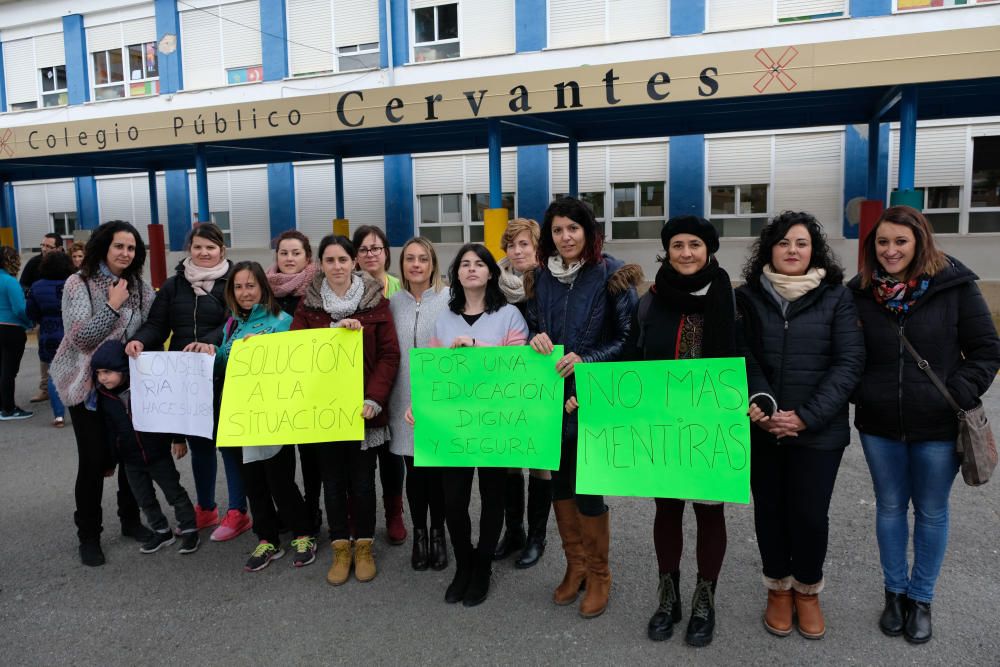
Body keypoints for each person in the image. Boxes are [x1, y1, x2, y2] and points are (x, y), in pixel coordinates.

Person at [849, 205, 1000, 644]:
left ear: (920, 242)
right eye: (883, 242)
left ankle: (921, 598)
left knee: (932, 511)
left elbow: (987, 350)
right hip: (879, 426)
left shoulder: (955, 287)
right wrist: (864, 392)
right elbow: (845, 353)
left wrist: (956, 393)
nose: (891, 250)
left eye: (901, 241)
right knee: (890, 507)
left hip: (938, 426)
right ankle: (894, 594)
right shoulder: (859, 292)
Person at [623, 216, 765, 647]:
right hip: (663, 425)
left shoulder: (732, 299)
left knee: (709, 513)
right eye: (678, 245)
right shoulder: (650, 301)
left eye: (695, 245)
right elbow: (630, 357)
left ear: (709, 250)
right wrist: (590, 395)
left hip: (712, 428)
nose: (686, 253)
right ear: (667, 251)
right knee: (666, 510)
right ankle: (668, 598)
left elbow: (748, 354)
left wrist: (759, 395)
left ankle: (705, 600)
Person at [736, 211, 865, 640]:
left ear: (814, 250)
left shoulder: (836, 297)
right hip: (762, 427)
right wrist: (763, 403)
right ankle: (777, 588)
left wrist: (807, 416)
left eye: (802, 243)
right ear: (769, 249)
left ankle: (807, 590)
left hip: (819, 432)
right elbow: (742, 355)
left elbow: (849, 362)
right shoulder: (747, 297)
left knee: (809, 515)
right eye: (784, 242)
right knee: (770, 511)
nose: (792, 250)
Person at [527, 197, 642, 619]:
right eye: (558, 230)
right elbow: (533, 327)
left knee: (588, 486)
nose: (565, 237)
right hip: (551, 399)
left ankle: (599, 573)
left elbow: (629, 340)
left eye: (573, 228)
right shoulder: (540, 278)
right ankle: (574, 565)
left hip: (592, 397)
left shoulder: (613, 275)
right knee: (560, 484)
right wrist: (535, 337)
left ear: (589, 232)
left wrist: (586, 361)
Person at [404, 243, 529, 607]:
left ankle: (483, 567)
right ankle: (464, 563)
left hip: (495, 423)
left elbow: (520, 368)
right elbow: (434, 370)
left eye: (479, 264)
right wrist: (419, 404)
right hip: (454, 426)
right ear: (456, 273)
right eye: (465, 264)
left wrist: (477, 346)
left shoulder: (509, 315)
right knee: (454, 501)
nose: (472, 268)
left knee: (492, 498)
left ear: (491, 272)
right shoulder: (445, 318)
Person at [291, 235, 400, 586]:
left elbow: (389, 355)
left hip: (364, 412)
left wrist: (375, 398)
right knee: (333, 483)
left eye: (342, 259)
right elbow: (294, 351)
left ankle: (364, 546)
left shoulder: (375, 302)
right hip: (325, 413)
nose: (337, 266)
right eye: (330, 260)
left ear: (354, 262)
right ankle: (341, 546)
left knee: (364, 483)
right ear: (320, 264)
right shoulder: (308, 306)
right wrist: (331, 331)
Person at [125, 223, 244, 542]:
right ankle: (206, 507)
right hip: (184, 378)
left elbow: (235, 322)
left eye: (211, 247)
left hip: (223, 372)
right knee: (200, 445)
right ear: (189, 249)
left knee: (229, 444)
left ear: (222, 250)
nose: (204, 252)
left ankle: (238, 511)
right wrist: (140, 340)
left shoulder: (234, 282)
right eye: (198, 247)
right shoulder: (174, 285)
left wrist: (209, 342)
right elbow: (157, 324)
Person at [49, 220, 155, 566]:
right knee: (94, 460)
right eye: (118, 246)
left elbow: (153, 324)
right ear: (104, 247)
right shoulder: (78, 283)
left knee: (130, 455)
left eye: (131, 248)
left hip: (126, 386)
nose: (126, 253)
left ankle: (130, 520)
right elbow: (80, 338)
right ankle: (89, 535)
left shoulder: (139, 286)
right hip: (87, 385)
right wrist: (112, 305)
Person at [215, 261, 318, 572]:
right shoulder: (232, 325)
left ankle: (303, 533)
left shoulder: (282, 321)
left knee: (279, 478)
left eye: (250, 285)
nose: (245, 292)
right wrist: (212, 354)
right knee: (253, 481)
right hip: (241, 415)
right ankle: (267, 538)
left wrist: (263, 350)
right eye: (238, 287)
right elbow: (224, 365)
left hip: (274, 415)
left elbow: (296, 364)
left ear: (263, 287)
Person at [92, 340, 200, 556]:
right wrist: (110, 461)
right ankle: (162, 531)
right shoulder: (104, 397)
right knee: (144, 499)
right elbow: (110, 432)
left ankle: (189, 529)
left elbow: (169, 411)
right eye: (98, 373)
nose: (103, 378)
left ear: (123, 369)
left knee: (175, 494)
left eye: (108, 372)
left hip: (158, 454)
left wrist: (178, 439)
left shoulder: (146, 386)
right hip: (130, 460)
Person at [387, 237, 450, 571]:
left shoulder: (448, 299)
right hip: (402, 399)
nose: (416, 264)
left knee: (436, 472)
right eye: (410, 258)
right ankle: (420, 534)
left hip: (438, 399)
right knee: (413, 471)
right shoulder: (393, 302)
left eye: (423, 258)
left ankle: (439, 533)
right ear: (402, 265)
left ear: (432, 263)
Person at [494, 218, 552, 569]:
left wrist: (537, 338)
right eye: (511, 245)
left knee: (540, 461)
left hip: (541, 380)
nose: (516, 251)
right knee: (509, 459)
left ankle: (537, 537)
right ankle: (513, 530)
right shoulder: (496, 284)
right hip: (505, 382)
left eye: (524, 244)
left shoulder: (550, 281)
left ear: (537, 247)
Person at [265, 230, 322, 534]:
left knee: (311, 457)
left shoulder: (318, 289)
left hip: (310, 386)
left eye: (296, 253)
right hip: (274, 389)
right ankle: (292, 509)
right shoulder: (265, 290)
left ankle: (313, 508)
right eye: (283, 253)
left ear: (307, 257)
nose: (289, 258)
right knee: (280, 457)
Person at [352, 225, 406, 545]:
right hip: (361, 383)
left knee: (392, 454)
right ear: (355, 256)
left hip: (396, 382)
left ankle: (394, 513)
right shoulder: (350, 289)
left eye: (376, 248)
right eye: (363, 249)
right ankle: (360, 517)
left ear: (386, 252)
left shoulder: (400, 288)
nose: (370, 254)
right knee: (360, 458)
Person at [25, 251, 75, 427]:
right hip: (71, 332)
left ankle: (59, 416)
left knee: (54, 374)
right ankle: (79, 410)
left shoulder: (37, 286)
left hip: (49, 332)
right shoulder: (73, 284)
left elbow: (31, 312)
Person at [20, 232, 63, 404]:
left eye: (48, 246)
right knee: (46, 357)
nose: (44, 249)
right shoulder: (34, 263)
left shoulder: (66, 263)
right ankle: (45, 388)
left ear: (59, 248)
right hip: (45, 321)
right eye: (42, 245)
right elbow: (23, 284)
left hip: (68, 320)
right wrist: (31, 294)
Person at [0, 246, 34, 420]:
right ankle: (8, 408)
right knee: (9, 371)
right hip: (11, 329)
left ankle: (2, 406)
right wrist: (29, 323)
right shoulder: (10, 281)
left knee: (1, 369)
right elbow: (20, 308)